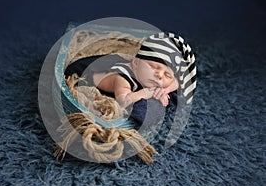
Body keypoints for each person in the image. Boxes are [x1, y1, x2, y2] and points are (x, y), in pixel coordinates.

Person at [64, 32, 196, 124]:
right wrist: (146, 92)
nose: (160, 75)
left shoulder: (151, 77)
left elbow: (177, 82)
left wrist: (164, 91)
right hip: (89, 75)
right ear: (136, 63)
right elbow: (123, 101)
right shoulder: (123, 78)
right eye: (153, 66)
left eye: (167, 75)